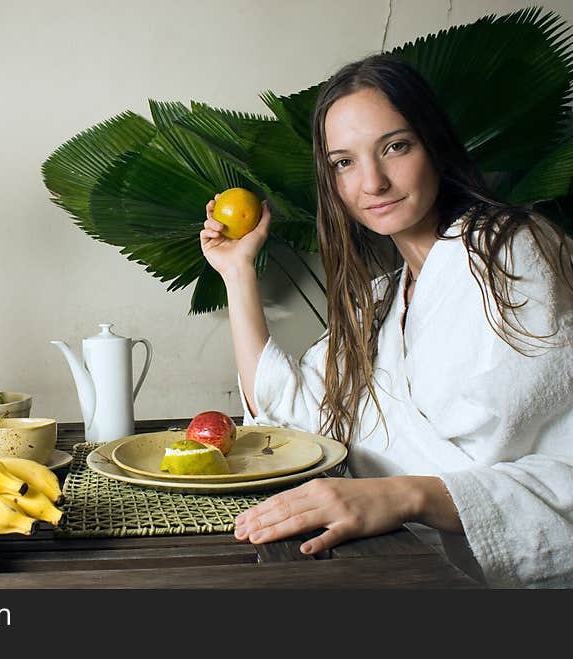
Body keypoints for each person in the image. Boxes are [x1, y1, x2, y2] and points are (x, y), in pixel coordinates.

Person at [200, 53, 573, 588]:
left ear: (434, 145)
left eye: (395, 147)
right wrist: (238, 273)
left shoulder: (511, 251)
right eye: (344, 162)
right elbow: (292, 413)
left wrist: (400, 494)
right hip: (398, 559)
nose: (371, 182)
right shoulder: (382, 300)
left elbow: (510, 440)